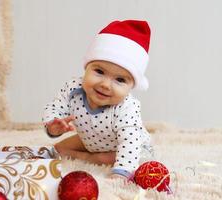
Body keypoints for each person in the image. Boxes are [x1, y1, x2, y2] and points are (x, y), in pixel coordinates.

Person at [42, 20, 153, 179]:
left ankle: (87, 158)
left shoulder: (127, 108)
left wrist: (122, 171)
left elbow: (130, 143)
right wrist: (53, 124)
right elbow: (55, 107)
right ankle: (83, 152)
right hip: (92, 138)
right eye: (99, 71)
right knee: (56, 149)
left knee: (101, 158)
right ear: (86, 67)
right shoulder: (73, 88)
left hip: (130, 147)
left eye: (120, 80)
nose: (105, 85)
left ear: (131, 86)